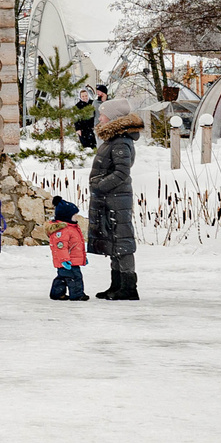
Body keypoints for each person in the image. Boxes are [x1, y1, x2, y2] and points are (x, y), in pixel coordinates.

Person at [88, 97, 144, 300]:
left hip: (116, 198)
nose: (100, 118)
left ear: (113, 118)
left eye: (103, 115)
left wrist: (100, 186)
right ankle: (117, 284)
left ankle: (129, 287)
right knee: (114, 241)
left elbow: (122, 172)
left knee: (122, 242)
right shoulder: (113, 139)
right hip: (110, 198)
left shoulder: (121, 141)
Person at [48, 198, 89, 299]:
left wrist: (83, 257)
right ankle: (77, 295)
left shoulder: (71, 228)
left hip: (71, 260)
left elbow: (76, 245)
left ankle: (57, 294)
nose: (76, 218)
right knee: (75, 277)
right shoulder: (63, 230)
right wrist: (64, 260)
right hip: (69, 262)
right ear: (66, 216)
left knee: (63, 277)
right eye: (74, 215)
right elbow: (60, 248)